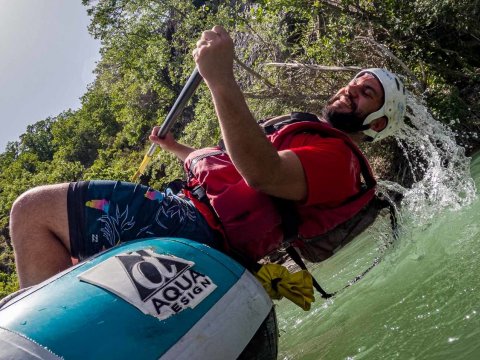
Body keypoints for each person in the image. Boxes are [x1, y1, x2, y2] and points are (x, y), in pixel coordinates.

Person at [10, 26, 406, 288]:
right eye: (355, 82)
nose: (352, 89)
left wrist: (220, 77)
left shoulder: (339, 159)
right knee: (68, 250)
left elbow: (262, 174)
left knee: (33, 211)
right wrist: (176, 149)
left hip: (197, 227)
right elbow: (231, 167)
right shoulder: (316, 144)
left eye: (367, 93)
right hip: (201, 219)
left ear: (375, 125)